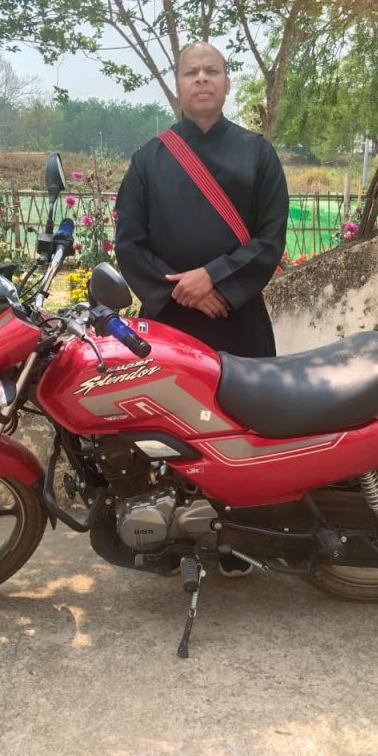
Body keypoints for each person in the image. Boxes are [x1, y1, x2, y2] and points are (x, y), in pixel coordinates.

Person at [114, 42, 289, 576]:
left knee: (243, 430)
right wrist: (184, 291)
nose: (202, 79)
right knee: (169, 429)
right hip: (169, 325)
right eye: (191, 71)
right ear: (178, 84)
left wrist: (214, 278)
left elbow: (270, 239)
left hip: (240, 320)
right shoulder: (148, 160)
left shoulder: (258, 154)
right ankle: (172, 538)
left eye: (212, 70)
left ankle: (240, 540)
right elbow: (129, 244)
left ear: (227, 83)